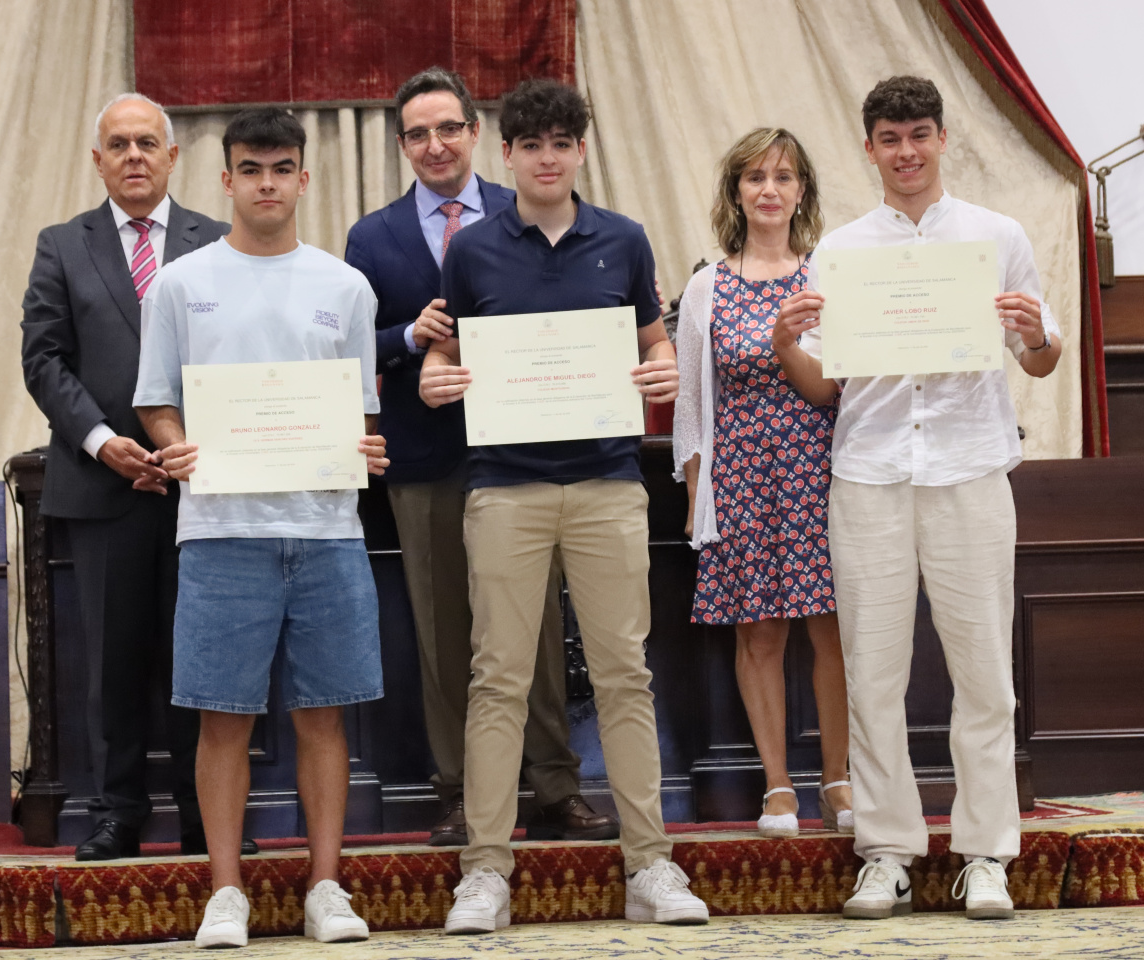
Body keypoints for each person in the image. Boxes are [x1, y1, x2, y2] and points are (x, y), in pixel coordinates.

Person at [418, 79, 709, 933]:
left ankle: (650, 865)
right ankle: (486, 871)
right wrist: (438, 382)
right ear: (505, 155)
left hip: (609, 485)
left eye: (562, 143)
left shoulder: (621, 240)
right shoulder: (470, 251)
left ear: (581, 150)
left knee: (625, 674)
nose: (547, 158)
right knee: (497, 678)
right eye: (531, 145)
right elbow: (440, 358)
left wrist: (662, 371)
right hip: (502, 487)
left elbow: (655, 345)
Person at [771, 76, 1063, 922]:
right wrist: (788, 343)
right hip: (869, 475)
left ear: (942, 140)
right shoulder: (839, 250)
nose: (907, 152)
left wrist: (1038, 332)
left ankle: (984, 854)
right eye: (890, 139)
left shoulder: (996, 236)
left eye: (920, 136)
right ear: (869, 148)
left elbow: (1038, 358)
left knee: (984, 677)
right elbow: (825, 386)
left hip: (970, 468)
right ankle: (888, 851)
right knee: (872, 674)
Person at [133, 108, 389, 948]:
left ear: (304, 179)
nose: (267, 183)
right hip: (219, 530)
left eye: (282, 168)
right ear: (226, 179)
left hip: (325, 531)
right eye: (252, 169)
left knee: (323, 715)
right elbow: (157, 397)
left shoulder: (345, 286)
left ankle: (324, 885)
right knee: (221, 718)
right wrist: (178, 450)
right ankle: (226, 891)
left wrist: (365, 449)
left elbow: (359, 411)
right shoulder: (180, 283)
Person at [342, 66, 612, 848]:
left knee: (534, 631)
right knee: (445, 634)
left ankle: (556, 787)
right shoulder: (373, 235)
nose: (436, 145)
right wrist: (408, 338)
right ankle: (463, 791)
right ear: (403, 145)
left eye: (449, 128)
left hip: (529, 453)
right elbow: (355, 349)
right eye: (419, 133)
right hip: (426, 461)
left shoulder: (522, 208)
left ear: (475, 133)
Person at [20, 92, 241, 862]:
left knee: (200, 661)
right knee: (112, 665)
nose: (135, 156)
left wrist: (187, 443)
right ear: (98, 160)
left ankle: (202, 816)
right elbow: (43, 360)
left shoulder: (219, 241)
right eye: (119, 144)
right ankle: (115, 814)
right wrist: (106, 441)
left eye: (148, 142)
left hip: (201, 487)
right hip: (104, 486)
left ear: (175, 157)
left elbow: (236, 360)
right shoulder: (62, 245)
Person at [671, 127, 852, 840]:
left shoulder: (828, 277)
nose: (769, 189)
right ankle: (778, 787)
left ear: (802, 189)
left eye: (782, 176)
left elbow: (838, 387)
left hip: (823, 471)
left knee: (832, 634)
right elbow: (691, 403)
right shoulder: (706, 288)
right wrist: (695, 493)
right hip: (741, 476)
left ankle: (837, 780)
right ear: (736, 193)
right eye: (754, 178)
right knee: (761, 636)